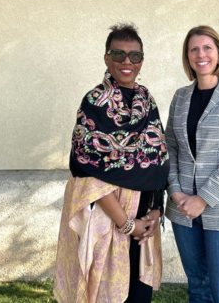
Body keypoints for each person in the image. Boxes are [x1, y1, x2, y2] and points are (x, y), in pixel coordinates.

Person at [54, 23, 170, 303]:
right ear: (107, 58)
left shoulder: (146, 100)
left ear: (142, 60)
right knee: (104, 294)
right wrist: (127, 224)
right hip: (109, 219)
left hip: (144, 221)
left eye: (135, 56)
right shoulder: (95, 102)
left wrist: (154, 216)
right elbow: (86, 170)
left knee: (138, 296)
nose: (127, 62)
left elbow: (156, 162)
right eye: (119, 55)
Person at [165, 25, 219, 303]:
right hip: (183, 212)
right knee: (198, 288)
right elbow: (169, 147)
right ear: (187, 56)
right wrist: (175, 191)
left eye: (207, 48)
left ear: (218, 54)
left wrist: (202, 199)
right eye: (194, 49)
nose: (200, 54)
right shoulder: (180, 97)